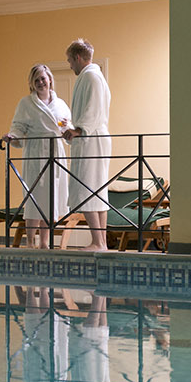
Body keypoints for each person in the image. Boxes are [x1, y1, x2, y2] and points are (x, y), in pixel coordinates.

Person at [3, 64, 71, 248]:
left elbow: (67, 129)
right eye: (37, 80)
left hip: (54, 152)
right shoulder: (26, 103)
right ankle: (30, 240)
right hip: (35, 152)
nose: (41, 82)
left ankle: (44, 241)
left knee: (51, 197)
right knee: (33, 196)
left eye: (43, 78)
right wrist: (12, 137)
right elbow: (18, 127)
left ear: (50, 79)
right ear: (32, 84)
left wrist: (66, 126)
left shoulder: (61, 104)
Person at [61, 39, 112, 253]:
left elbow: (93, 109)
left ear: (78, 58)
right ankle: (101, 242)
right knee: (96, 188)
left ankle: (98, 242)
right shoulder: (93, 76)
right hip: (92, 137)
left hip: (91, 139)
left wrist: (79, 130)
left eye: (70, 61)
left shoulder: (91, 76)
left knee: (88, 187)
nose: (70, 65)